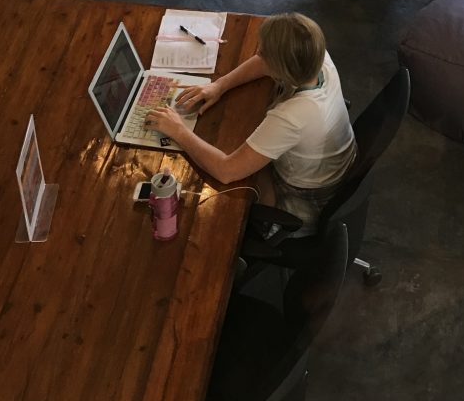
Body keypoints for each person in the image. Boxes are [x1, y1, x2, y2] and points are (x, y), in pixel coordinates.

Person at [147, 13, 356, 235]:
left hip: (306, 197)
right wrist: (219, 86)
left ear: (281, 69)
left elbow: (226, 171)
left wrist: (177, 129)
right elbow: (264, 63)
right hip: (336, 168)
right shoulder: (316, 56)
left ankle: (262, 233)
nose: (257, 53)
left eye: (263, 52)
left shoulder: (293, 116)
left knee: (217, 202)